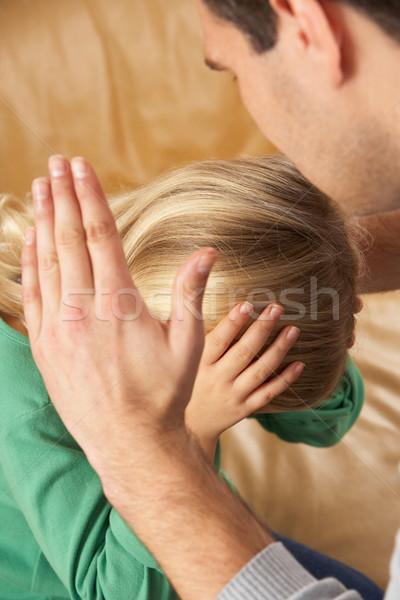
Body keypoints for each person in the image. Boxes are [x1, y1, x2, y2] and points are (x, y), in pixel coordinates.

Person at [18, 0, 400, 597]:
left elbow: (325, 423)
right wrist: (187, 433)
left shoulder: (187, 301)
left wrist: (302, 327)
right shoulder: (18, 387)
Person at [0, 154, 368, 599]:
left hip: (178, 527)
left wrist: (331, 302)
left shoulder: (153, 266)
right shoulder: (25, 404)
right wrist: (189, 433)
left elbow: (325, 425)